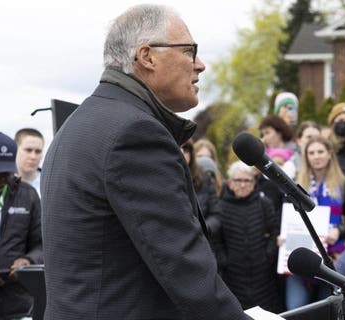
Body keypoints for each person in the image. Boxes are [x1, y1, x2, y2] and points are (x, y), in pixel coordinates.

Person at [40, 5, 249, 319]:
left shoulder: (81, 123)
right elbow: (184, 267)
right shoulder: (135, 133)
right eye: (190, 51)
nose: (200, 65)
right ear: (147, 56)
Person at [289, 136, 345, 309]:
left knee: (328, 310)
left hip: (332, 257)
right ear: (306, 157)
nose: (316, 156)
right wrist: (284, 237)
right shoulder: (296, 186)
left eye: (320, 151)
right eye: (311, 153)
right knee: (295, 309)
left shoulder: (344, 184)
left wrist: (339, 231)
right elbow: (287, 218)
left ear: (329, 154)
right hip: (303, 253)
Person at [0, 132, 42, 319]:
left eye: (5, 172)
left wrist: (28, 262)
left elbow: (42, 244)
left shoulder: (28, 195)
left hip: (20, 305)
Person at [212, 161, 280, 312]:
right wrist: (225, 260)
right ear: (230, 183)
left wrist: (268, 255)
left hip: (263, 277)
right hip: (234, 277)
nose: (242, 185)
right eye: (238, 180)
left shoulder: (264, 204)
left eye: (247, 180)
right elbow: (216, 240)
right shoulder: (220, 206)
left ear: (254, 183)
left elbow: (274, 231)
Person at [14, 128, 44, 196]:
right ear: (15, 150)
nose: (33, 157)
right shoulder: (3, 184)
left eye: (38, 151)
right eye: (28, 150)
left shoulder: (50, 183)